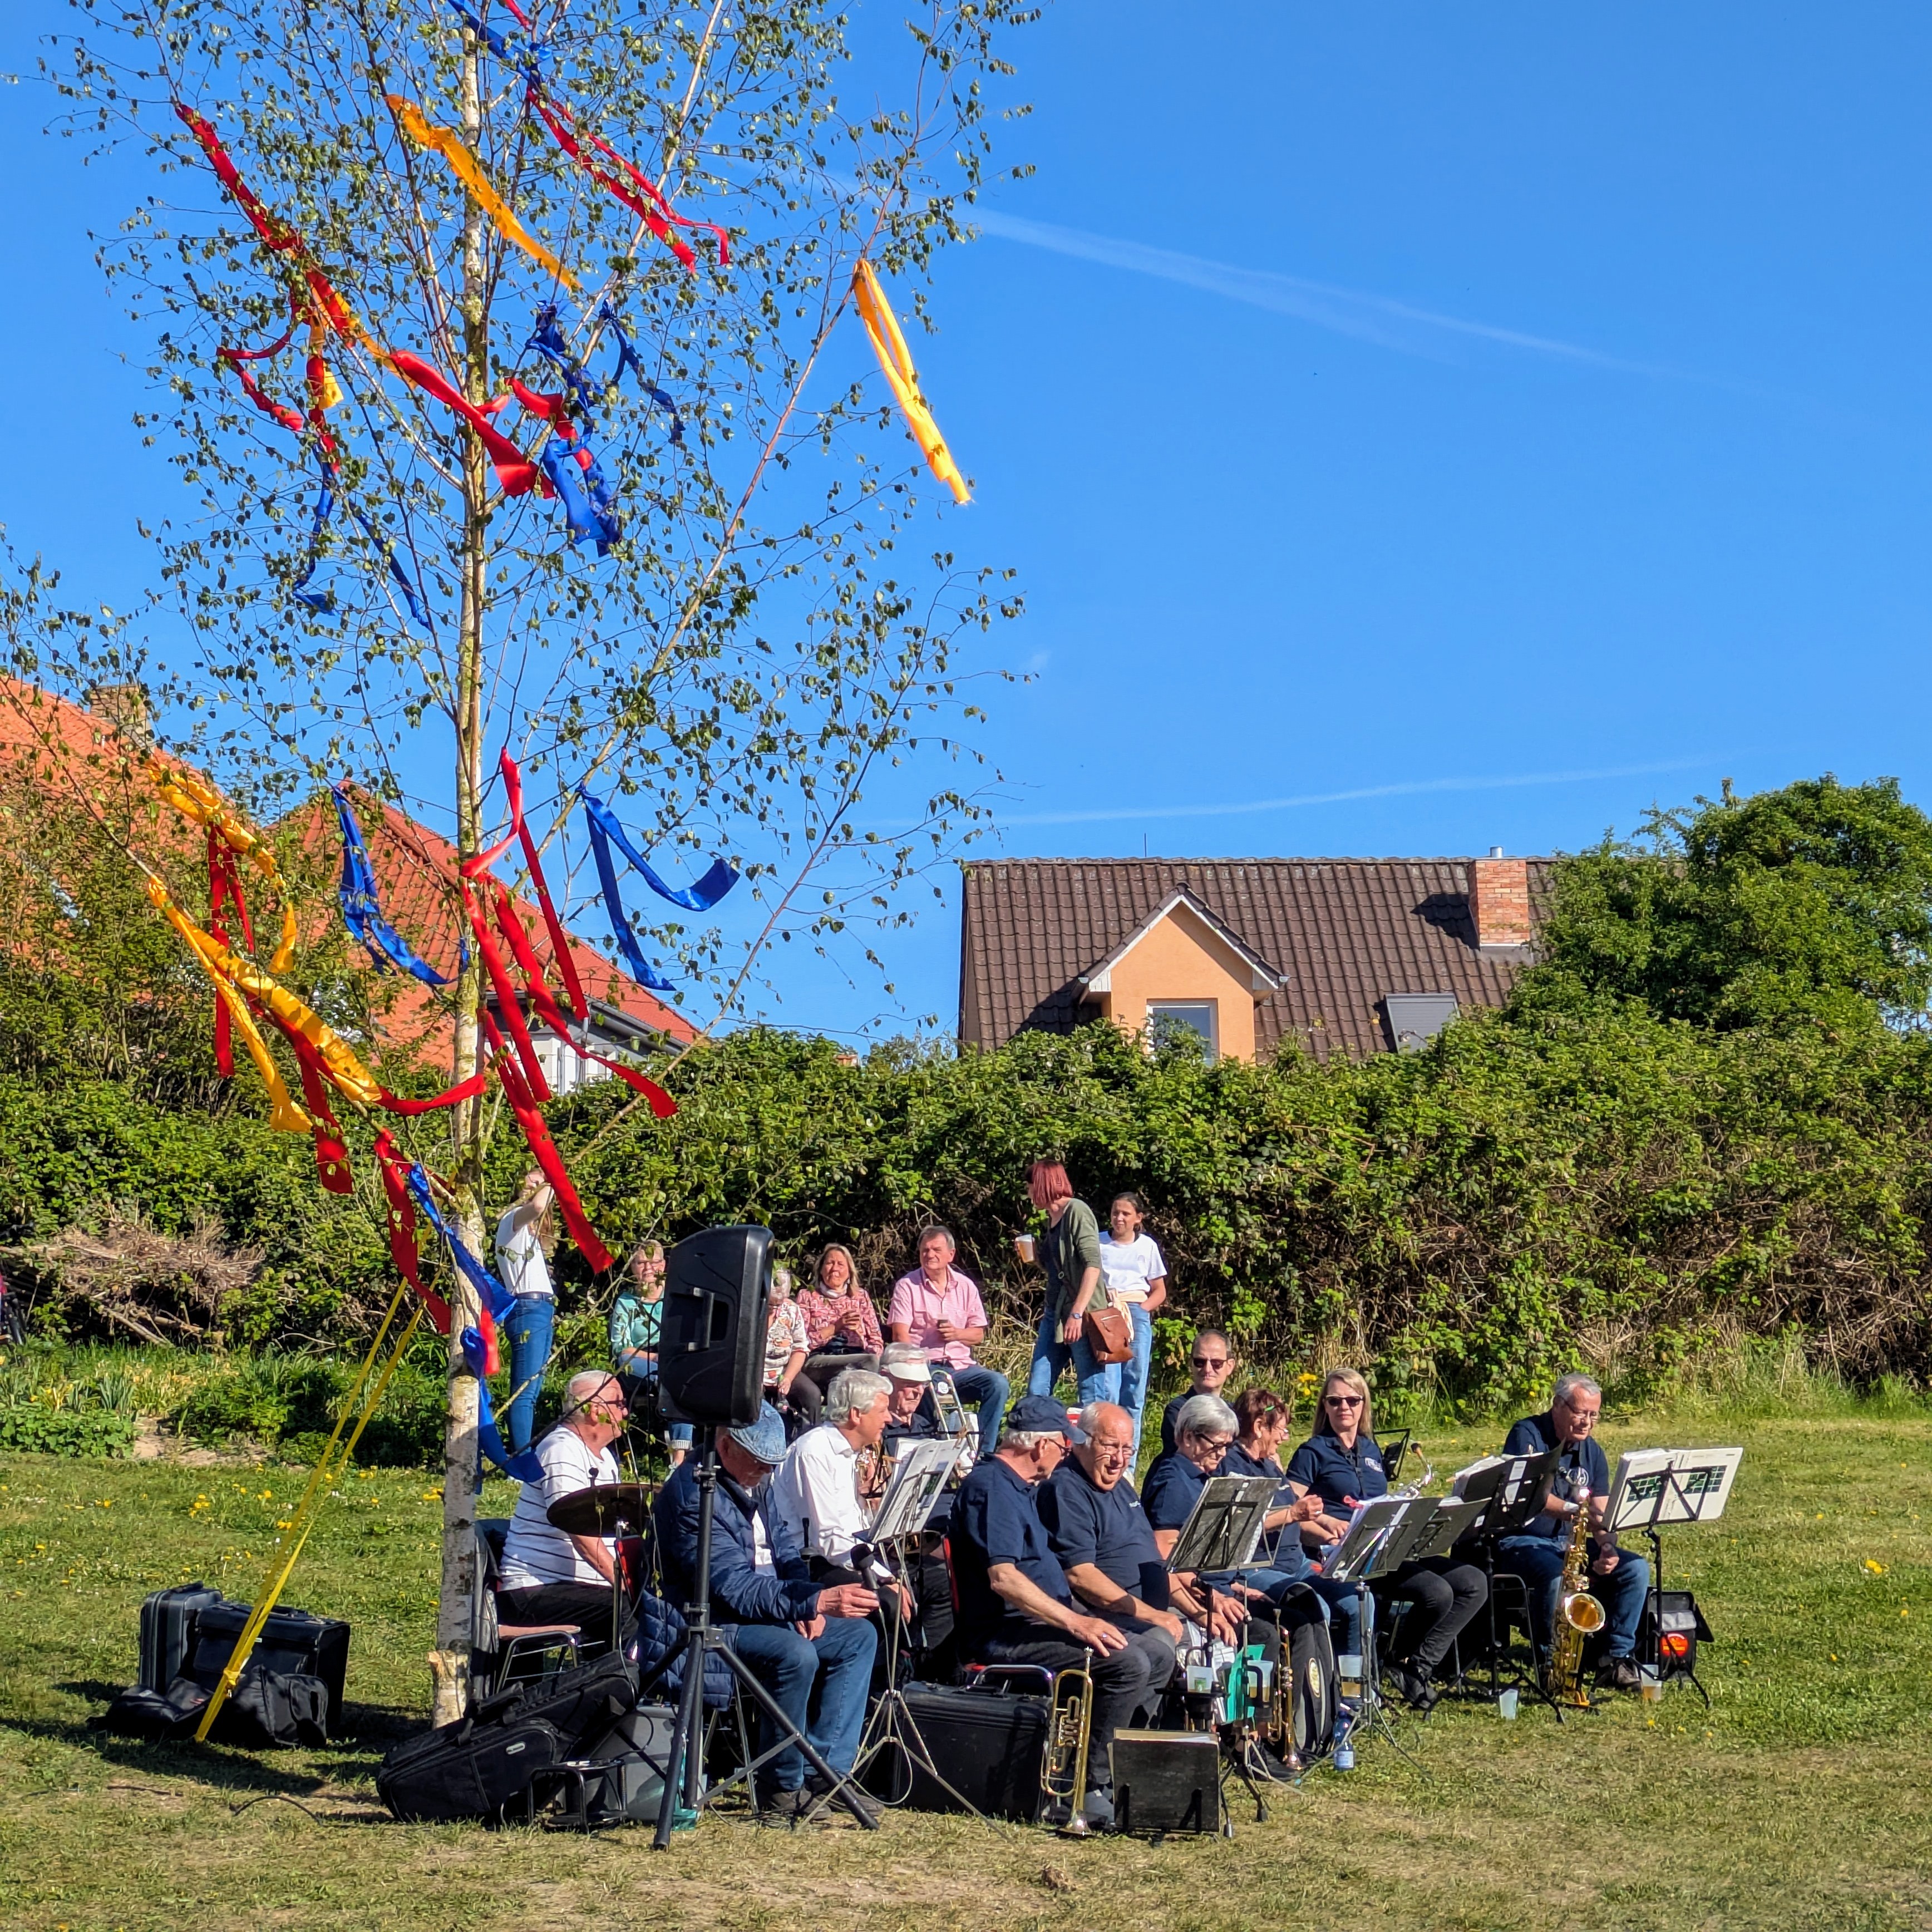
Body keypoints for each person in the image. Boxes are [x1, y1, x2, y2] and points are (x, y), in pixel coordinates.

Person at [949, 1393, 1178, 1831]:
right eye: (1063, 1444)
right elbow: (1004, 1579)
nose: (1066, 1452)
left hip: (1043, 1620)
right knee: (1127, 1662)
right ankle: (1086, 1786)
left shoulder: (1022, 1487)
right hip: (1006, 1632)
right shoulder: (991, 1488)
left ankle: (1112, 1763)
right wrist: (1076, 1620)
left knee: (1158, 1652)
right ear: (1041, 1446)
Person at [654, 1402, 881, 1823]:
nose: (766, 1471)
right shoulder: (694, 1496)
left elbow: (786, 1551)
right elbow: (732, 1589)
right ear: (725, 1445)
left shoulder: (758, 1482)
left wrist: (807, 1598)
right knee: (795, 1654)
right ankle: (781, 1786)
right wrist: (812, 1602)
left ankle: (828, 1774)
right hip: (712, 1621)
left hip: (767, 1608)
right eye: (759, 1461)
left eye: (773, 1463)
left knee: (857, 1637)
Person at [1284, 1369, 1487, 1712]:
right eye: (1335, 1401)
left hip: (1385, 1546)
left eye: (1353, 1400)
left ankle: (1413, 1665)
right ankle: (1388, 1662)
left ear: (1364, 1404)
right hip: (1345, 1553)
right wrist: (1329, 1526)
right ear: (1325, 1407)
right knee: (1437, 1593)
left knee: (1473, 1582)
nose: (1344, 1407)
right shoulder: (1311, 1452)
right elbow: (1291, 1509)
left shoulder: (1370, 1448)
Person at [1497, 1373, 1653, 1694]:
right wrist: (1577, 1513)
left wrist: (1608, 1547)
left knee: (1635, 1569)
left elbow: (1602, 1512)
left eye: (1594, 1415)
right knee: (1556, 1576)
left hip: (1570, 1542)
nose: (1587, 1423)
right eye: (1581, 1413)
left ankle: (1615, 1659)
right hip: (1522, 1540)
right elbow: (1532, 1497)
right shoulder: (1526, 1434)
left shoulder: (1592, 1452)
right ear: (1558, 1405)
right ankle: (1551, 1664)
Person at [1040, 1399, 1242, 1645]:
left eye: (1127, 1450)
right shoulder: (1067, 1489)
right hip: (1109, 1615)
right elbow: (1081, 1576)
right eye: (1110, 1446)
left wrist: (1199, 1613)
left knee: (1225, 1632)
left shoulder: (1121, 1486)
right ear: (1083, 1441)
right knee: (1165, 1643)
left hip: (1154, 1609)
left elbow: (1155, 1563)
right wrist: (1152, 1615)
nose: (1119, 1460)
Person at [1141, 1394, 1313, 1611]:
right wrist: (1211, 1597)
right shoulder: (1174, 1482)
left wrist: (1233, 1587)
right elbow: (1165, 1552)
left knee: (1299, 1617)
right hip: (1198, 1597)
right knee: (1286, 1622)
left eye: (1227, 1446)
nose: (1223, 1453)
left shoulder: (1202, 1476)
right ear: (1188, 1437)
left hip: (1221, 1587)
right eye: (1217, 1446)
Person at [496, 1372, 634, 1642]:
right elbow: (580, 1533)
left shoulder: (604, 1457)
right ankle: (619, 1670)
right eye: (619, 1403)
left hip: (574, 1588)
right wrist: (625, 1584)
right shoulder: (561, 1449)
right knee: (627, 1609)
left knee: (644, 1606)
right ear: (595, 1410)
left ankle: (609, 1667)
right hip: (535, 1589)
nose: (626, 1412)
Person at [887, 1225, 1008, 1455]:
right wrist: (917, 1365)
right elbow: (900, 1336)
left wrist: (957, 1334)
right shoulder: (907, 1286)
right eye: (925, 1250)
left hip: (961, 1367)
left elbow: (978, 1334)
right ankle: (932, 1449)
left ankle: (982, 1453)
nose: (930, 1255)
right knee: (928, 1384)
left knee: (998, 1384)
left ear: (951, 1255)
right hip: (925, 1365)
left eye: (936, 1250)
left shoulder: (965, 1286)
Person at [1023, 1160, 1118, 1407]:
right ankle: (1038, 1429)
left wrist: (1077, 1314)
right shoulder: (1052, 1219)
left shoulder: (1077, 1211)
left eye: (1030, 1187)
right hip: (1055, 1314)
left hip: (1083, 1314)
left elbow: (1093, 1265)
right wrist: (1034, 1257)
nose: (1028, 1193)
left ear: (1041, 1184)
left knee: (1090, 1391)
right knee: (1037, 1389)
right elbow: (1059, 1271)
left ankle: (1094, 1432)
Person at [1223, 1387, 1327, 1579]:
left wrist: (1330, 1536)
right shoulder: (1235, 1466)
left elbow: (1295, 1512)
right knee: (1306, 1598)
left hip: (1298, 1563)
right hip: (1258, 1568)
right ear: (1259, 1427)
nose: (1284, 1438)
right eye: (1281, 1430)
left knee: (1350, 1592)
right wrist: (1293, 1514)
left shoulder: (1269, 1463)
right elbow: (1239, 1526)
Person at [606, 1239, 692, 1466]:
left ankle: (678, 1460)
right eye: (641, 1263)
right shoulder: (626, 1302)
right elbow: (620, 1348)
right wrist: (654, 1358)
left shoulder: (676, 1297)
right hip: (638, 1360)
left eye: (653, 1262)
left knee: (677, 1379)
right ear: (633, 1267)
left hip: (673, 1360)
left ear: (663, 1265)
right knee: (636, 1364)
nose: (648, 1268)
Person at [1098, 1192, 1167, 1463]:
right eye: (1116, 1212)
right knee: (1108, 1386)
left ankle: (1128, 1462)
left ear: (1138, 1218)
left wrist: (1142, 1310)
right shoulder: (1099, 1242)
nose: (1119, 1218)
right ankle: (1105, 1454)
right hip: (1107, 1313)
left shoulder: (1147, 1246)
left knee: (1134, 1387)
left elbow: (1159, 1290)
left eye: (1126, 1214)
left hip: (1136, 1311)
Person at [495, 1166, 557, 1456]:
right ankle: (521, 1459)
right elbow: (539, 1205)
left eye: (539, 1184)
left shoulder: (530, 1235)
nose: (535, 1188)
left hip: (541, 1308)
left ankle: (525, 1454)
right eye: (531, 1183)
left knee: (532, 1391)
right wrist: (553, 1179)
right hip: (527, 1307)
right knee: (524, 1392)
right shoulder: (513, 1219)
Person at [797, 1244, 884, 1391]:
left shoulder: (860, 1296)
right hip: (820, 1359)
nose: (835, 1269)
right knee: (868, 1363)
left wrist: (862, 1338)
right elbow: (802, 1343)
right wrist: (836, 1327)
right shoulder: (808, 1296)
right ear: (821, 1269)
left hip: (857, 1356)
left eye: (840, 1264)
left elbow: (876, 1340)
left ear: (849, 1272)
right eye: (830, 1263)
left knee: (875, 1362)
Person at [1158, 1329, 1239, 1456]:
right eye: (1200, 1362)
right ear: (1191, 1364)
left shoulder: (1234, 1412)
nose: (1207, 1369)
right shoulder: (1179, 1411)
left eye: (1216, 1363)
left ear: (1230, 1366)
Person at [762, 1265, 819, 1428]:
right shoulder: (751, 1308)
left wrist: (788, 1378)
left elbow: (800, 1348)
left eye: (778, 1304)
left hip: (783, 1369)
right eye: (771, 1305)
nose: (775, 1309)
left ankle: (811, 1434)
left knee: (812, 1394)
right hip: (755, 1372)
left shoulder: (792, 1309)